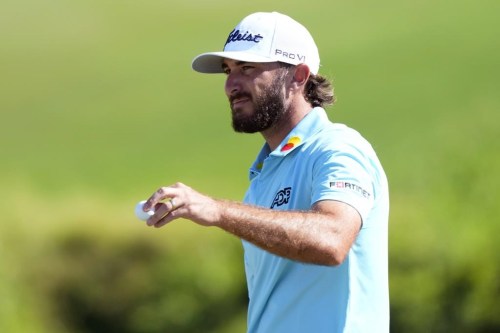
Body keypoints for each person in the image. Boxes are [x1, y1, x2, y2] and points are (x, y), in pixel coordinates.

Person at [142, 11, 389, 333]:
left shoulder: (337, 148)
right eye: (228, 71)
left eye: (247, 68)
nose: (231, 85)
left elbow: (332, 240)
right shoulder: (264, 175)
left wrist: (217, 210)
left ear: (299, 76)